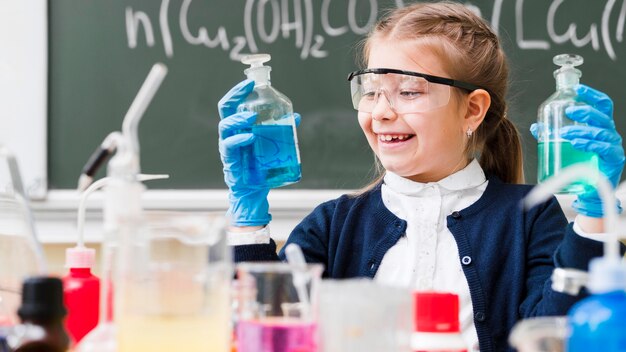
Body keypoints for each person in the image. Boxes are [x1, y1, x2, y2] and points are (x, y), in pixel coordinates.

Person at [217, 2, 625, 351]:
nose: (381, 112)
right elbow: (261, 333)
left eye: (408, 91)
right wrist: (247, 222)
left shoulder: (530, 218)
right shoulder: (334, 225)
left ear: (472, 110)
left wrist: (594, 220)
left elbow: (561, 333)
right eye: (372, 90)